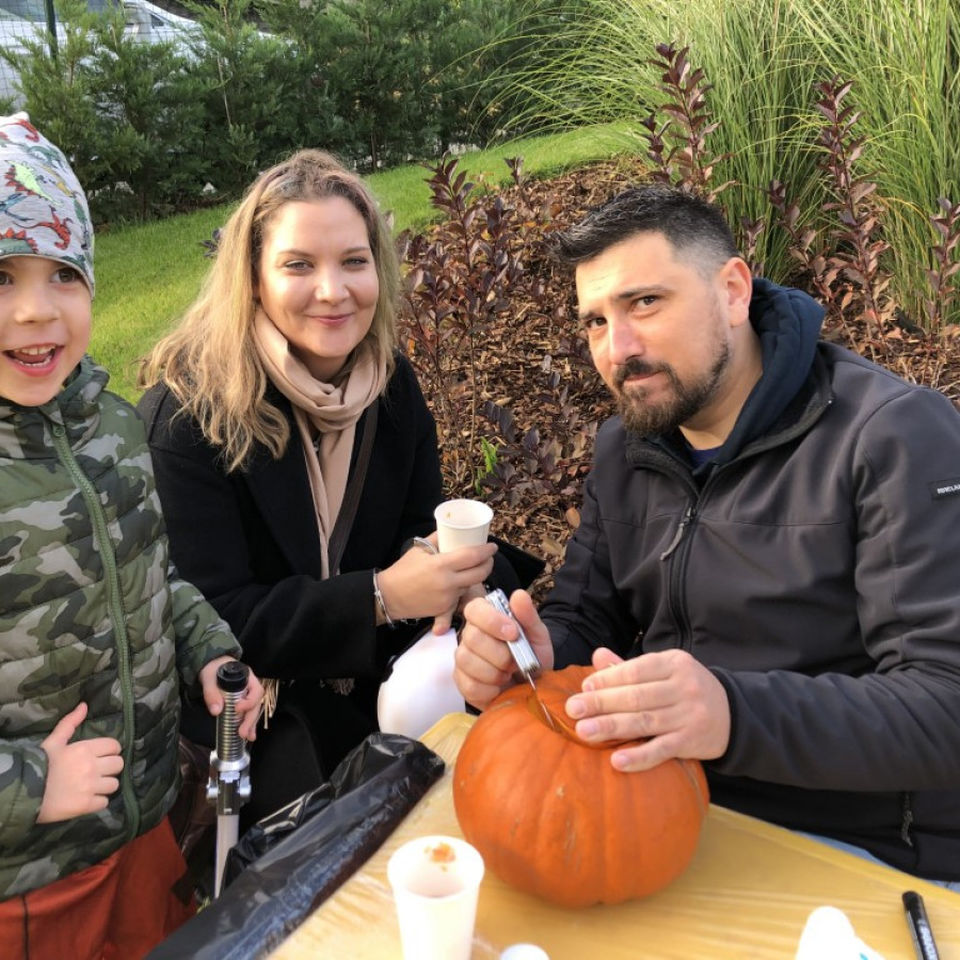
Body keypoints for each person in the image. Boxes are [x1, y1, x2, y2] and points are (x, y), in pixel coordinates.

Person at [453, 184, 960, 886]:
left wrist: (731, 713)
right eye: (595, 321)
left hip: (858, 848)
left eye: (645, 303)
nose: (618, 351)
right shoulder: (626, 447)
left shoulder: (893, 437)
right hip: (660, 808)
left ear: (732, 290)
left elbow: (944, 705)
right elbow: (587, 613)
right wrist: (529, 661)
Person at [137, 149, 537, 826]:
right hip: (254, 715)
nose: (333, 290)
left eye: (354, 261)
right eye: (299, 265)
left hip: (374, 684)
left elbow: (415, 522)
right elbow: (213, 618)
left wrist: (447, 574)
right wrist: (379, 596)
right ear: (254, 280)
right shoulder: (189, 417)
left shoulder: (391, 388)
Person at [0, 113, 264, 960]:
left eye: (64, 273)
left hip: (146, 825)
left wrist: (209, 652)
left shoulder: (112, 429)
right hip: (32, 883)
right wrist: (30, 786)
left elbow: (153, 575)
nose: (37, 311)